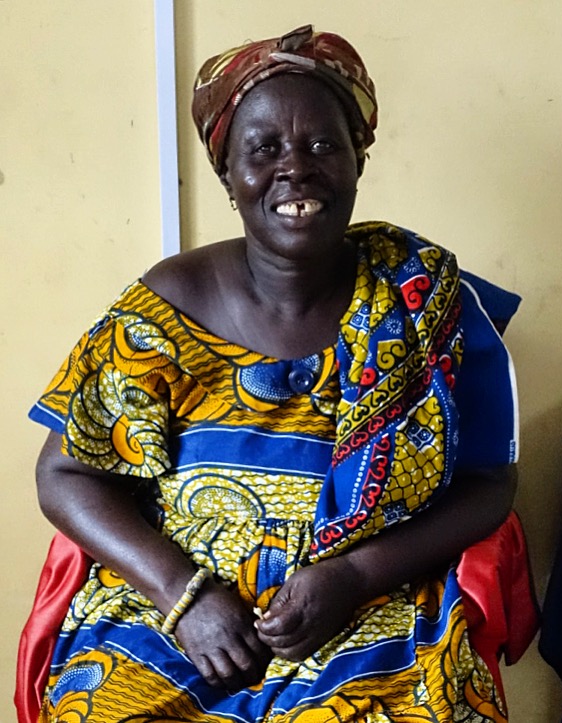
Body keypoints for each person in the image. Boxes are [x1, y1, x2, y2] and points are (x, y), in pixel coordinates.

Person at [26, 24, 533, 722]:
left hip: (369, 607)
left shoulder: (425, 300)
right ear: (228, 175)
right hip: (173, 614)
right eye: (263, 149)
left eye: (322, 144)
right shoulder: (167, 307)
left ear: (358, 156)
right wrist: (186, 596)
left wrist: (353, 575)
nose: (294, 168)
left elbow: (488, 484)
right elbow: (65, 472)